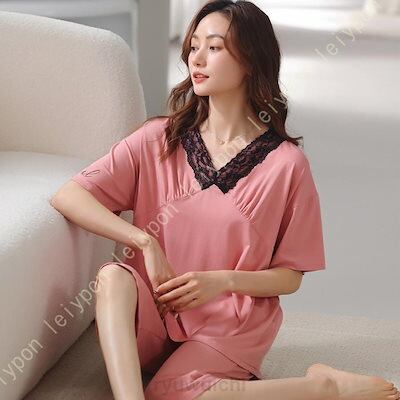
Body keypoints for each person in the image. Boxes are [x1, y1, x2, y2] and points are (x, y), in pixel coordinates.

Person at [50, 1, 400, 400]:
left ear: (250, 60)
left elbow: (289, 277)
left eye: (214, 47)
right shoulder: (158, 139)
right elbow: (69, 195)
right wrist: (143, 241)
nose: (196, 59)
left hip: (227, 324)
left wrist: (221, 281)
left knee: (171, 393)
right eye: (193, 46)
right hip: (154, 315)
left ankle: (325, 387)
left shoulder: (286, 165)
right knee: (114, 276)